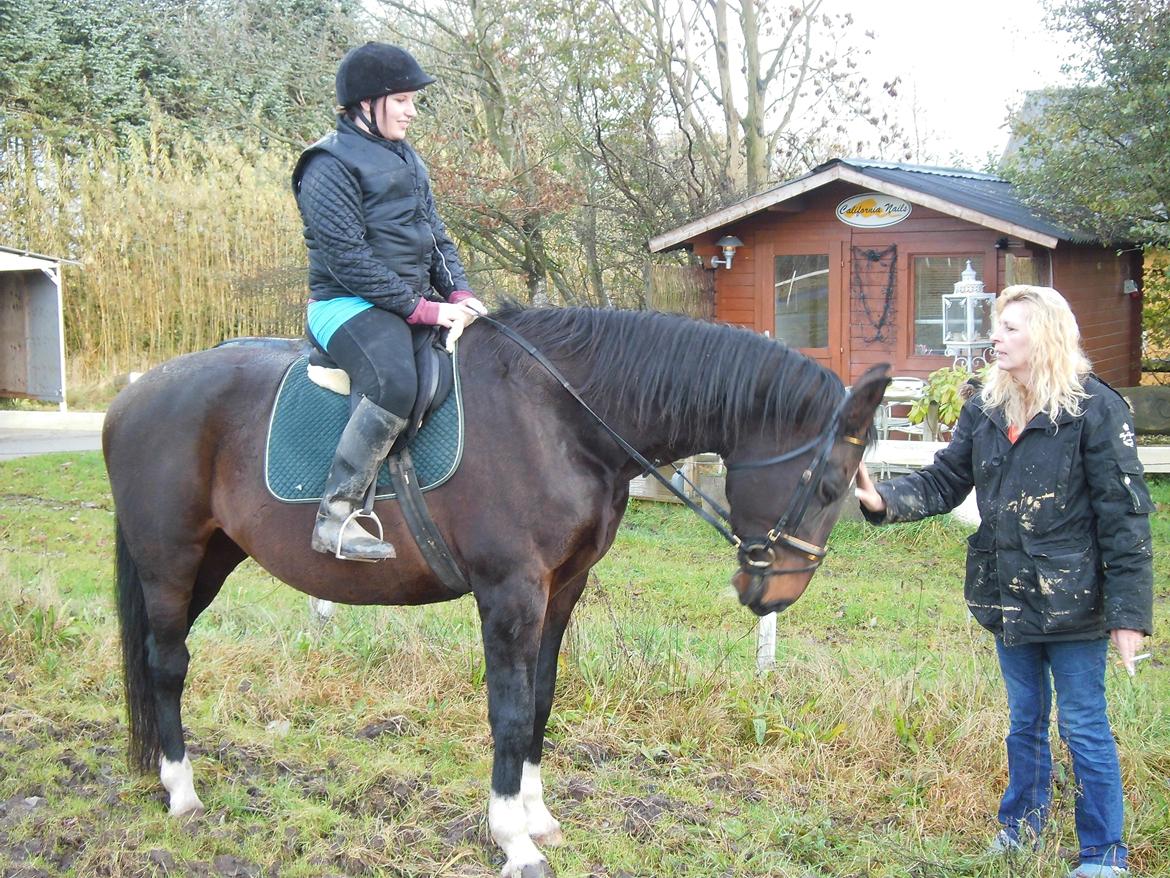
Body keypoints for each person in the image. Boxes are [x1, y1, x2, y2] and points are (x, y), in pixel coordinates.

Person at [855, 285, 1153, 877]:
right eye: (998, 327)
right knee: (1024, 722)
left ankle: (1102, 854)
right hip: (1006, 595)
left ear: (1045, 335)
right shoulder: (985, 409)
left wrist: (1128, 615)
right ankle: (1021, 829)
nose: (997, 337)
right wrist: (879, 497)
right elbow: (943, 482)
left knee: (1084, 724)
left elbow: (1125, 518)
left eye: (1012, 327)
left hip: (1077, 602)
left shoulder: (1094, 409)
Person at [292, 42, 486, 561]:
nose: (411, 110)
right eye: (401, 99)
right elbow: (348, 260)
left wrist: (460, 294)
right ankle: (337, 514)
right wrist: (424, 310)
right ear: (365, 103)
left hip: (408, 301)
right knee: (393, 379)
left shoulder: (407, 158)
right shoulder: (326, 164)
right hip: (346, 306)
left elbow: (434, 237)